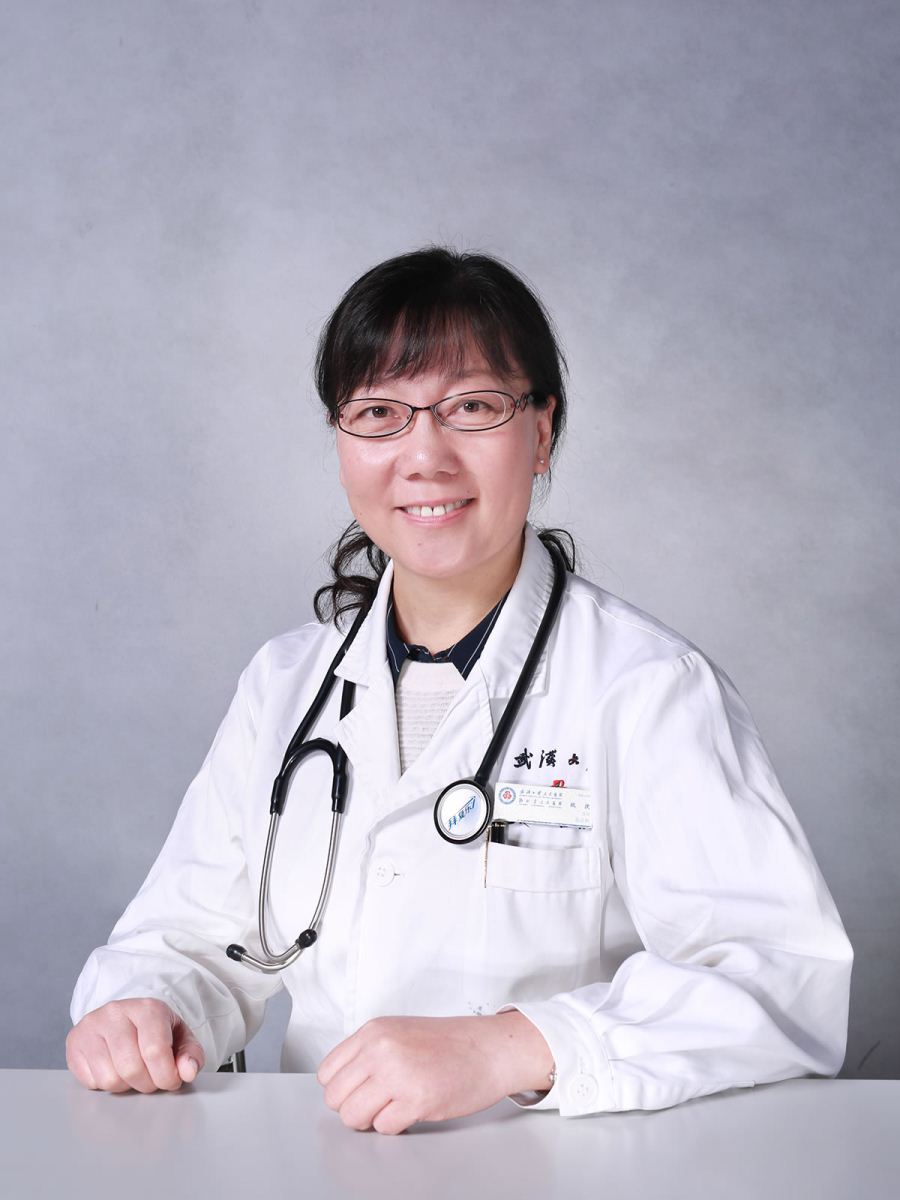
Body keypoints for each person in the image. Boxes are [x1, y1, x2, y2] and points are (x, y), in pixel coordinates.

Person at [67, 246, 853, 1135]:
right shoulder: (284, 687)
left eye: (473, 407)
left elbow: (780, 978)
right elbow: (189, 943)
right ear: (340, 442)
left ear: (541, 433)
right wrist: (148, 1008)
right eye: (379, 413)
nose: (424, 456)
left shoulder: (646, 689)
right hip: (324, 1166)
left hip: (563, 1169)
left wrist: (512, 1047)